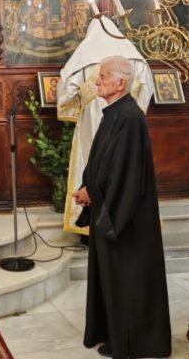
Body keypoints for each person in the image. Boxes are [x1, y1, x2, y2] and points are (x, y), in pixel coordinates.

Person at [73, 56, 171, 359]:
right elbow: (102, 162)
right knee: (111, 279)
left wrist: (93, 194)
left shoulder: (129, 118)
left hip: (125, 218)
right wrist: (89, 187)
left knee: (127, 280)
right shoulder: (115, 113)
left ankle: (131, 343)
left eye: (103, 76)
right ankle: (113, 334)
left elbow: (124, 173)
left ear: (121, 82)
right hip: (110, 207)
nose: (97, 81)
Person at [57, 16, 154, 236]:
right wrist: (137, 108)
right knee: (121, 168)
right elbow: (146, 87)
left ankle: (94, 222)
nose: (98, 80)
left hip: (95, 118)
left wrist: (78, 104)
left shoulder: (84, 54)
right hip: (127, 112)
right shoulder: (132, 53)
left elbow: (66, 91)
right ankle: (112, 221)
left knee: (95, 162)